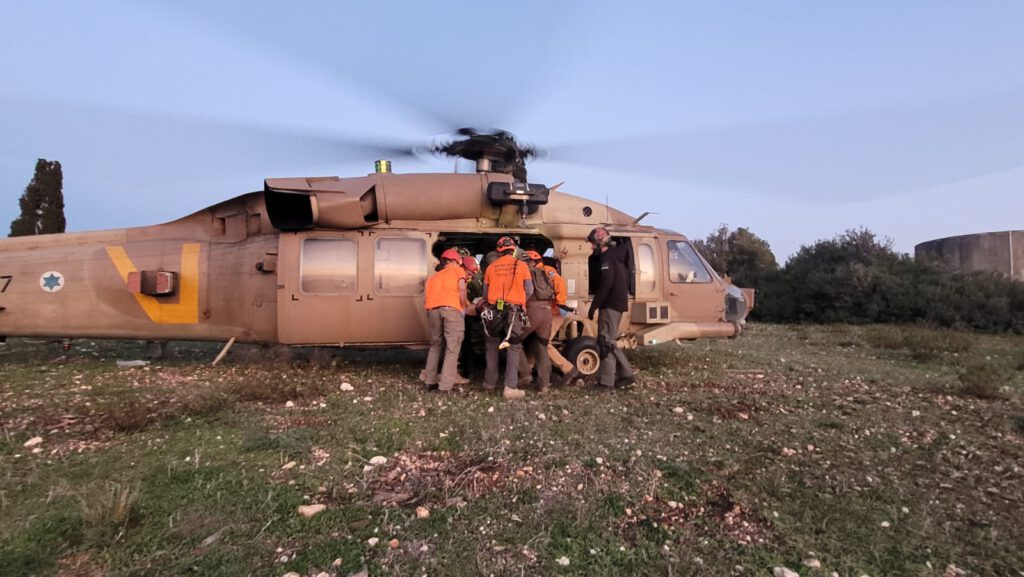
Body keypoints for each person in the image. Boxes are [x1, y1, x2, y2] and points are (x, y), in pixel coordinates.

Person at [482, 236, 533, 399]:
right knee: (513, 347)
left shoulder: (491, 268)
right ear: (514, 249)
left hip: (493, 311)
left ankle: (489, 383)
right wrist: (519, 300)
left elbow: (485, 293)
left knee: (491, 345)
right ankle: (510, 387)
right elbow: (529, 290)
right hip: (513, 311)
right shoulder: (522, 266)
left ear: (499, 250)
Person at [587, 227, 635, 388]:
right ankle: (626, 374)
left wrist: (593, 306)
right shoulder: (616, 256)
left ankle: (606, 383)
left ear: (601, 244)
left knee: (605, 342)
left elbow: (606, 284)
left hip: (610, 304)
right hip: (616, 304)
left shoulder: (607, 258)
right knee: (609, 341)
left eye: (593, 244)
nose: (592, 248)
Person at [422, 248, 468, 392]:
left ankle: (430, 381)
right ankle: (446, 386)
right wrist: (463, 305)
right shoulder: (458, 271)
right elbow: (461, 289)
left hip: (432, 310)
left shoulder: (433, 277)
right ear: (455, 261)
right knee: (452, 347)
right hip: (451, 309)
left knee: (435, 345)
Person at [518, 250, 555, 393]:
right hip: (547, 311)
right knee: (541, 346)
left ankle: (525, 373)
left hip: (531, 310)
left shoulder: (523, 273)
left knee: (513, 341)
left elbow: (523, 293)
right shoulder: (543, 273)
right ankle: (544, 384)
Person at [542, 256, 580, 385]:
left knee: (544, 343)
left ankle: (569, 369)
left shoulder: (548, 272)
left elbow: (559, 291)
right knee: (536, 341)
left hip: (555, 314)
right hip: (551, 313)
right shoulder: (549, 274)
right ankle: (527, 372)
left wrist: (559, 304)